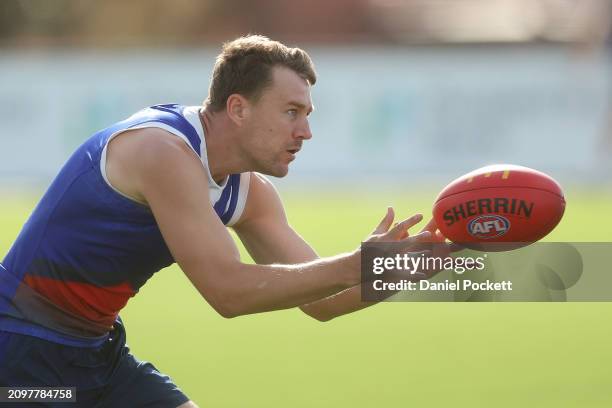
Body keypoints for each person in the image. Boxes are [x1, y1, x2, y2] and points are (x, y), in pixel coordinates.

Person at [0, 35, 442, 407]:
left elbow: (322, 302)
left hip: (98, 351)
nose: (305, 132)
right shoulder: (162, 152)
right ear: (238, 109)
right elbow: (227, 292)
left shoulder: (249, 193)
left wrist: (416, 262)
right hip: (20, 352)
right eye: (291, 112)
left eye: (307, 115)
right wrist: (358, 263)